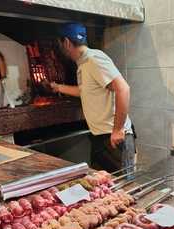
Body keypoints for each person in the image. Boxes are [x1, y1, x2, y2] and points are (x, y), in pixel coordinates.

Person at [49, 23, 135, 173]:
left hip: (114, 138)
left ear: (67, 43)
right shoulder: (83, 64)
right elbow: (85, 91)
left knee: (124, 189)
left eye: (60, 44)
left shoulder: (94, 59)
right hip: (100, 137)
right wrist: (58, 87)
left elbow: (123, 89)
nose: (60, 49)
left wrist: (118, 129)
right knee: (103, 188)